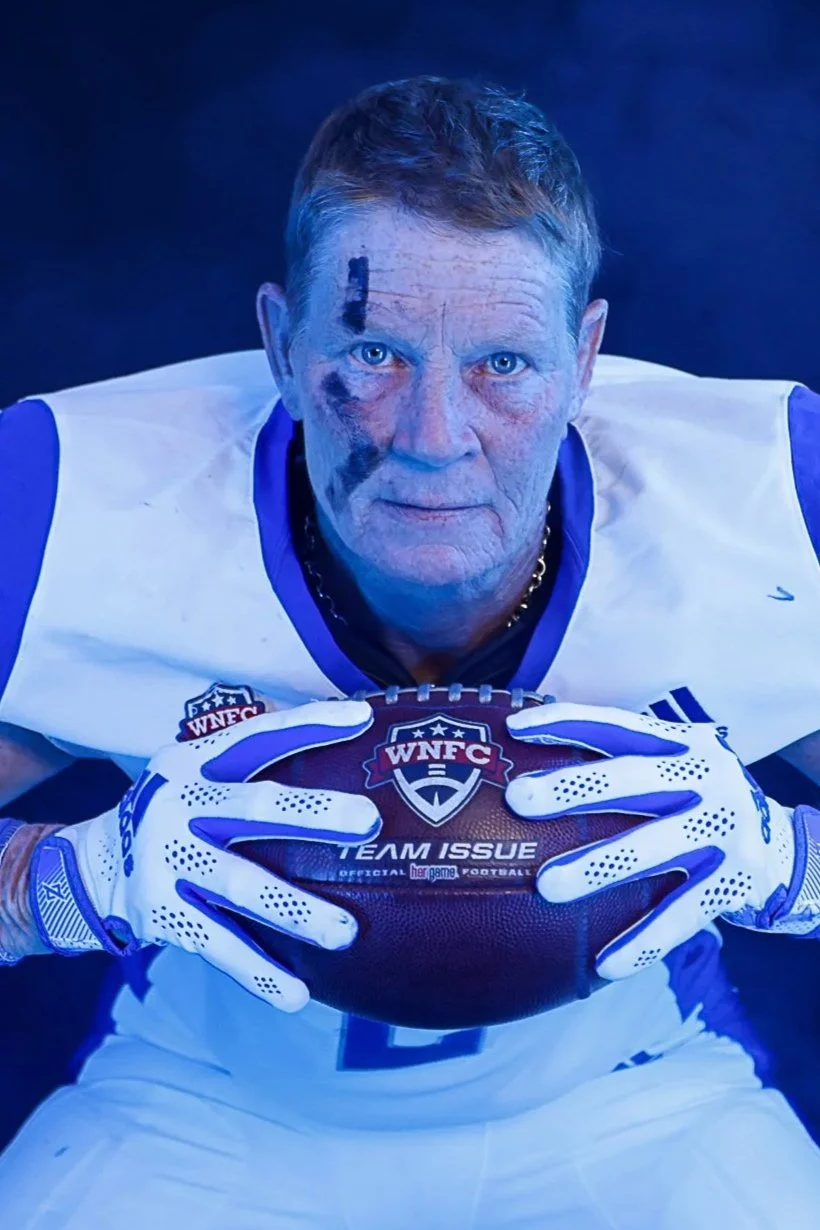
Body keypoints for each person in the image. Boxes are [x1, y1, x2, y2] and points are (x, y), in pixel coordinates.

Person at [0, 74, 819, 1229]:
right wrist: (67, 882)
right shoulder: (53, 499)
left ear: (585, 356)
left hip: (634, 1103)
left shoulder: (777, 498)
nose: (434, 439)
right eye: (374, 351)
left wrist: (787, 863)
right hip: (197, 1105)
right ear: (281, 344)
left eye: (503, 363)